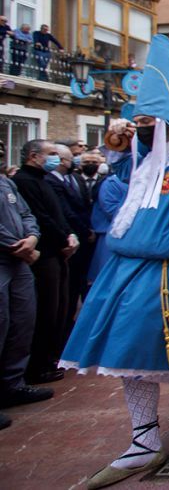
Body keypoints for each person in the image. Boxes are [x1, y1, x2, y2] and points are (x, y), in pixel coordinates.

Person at [59, 35, 169, 489]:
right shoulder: (140, 164)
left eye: (147, 122)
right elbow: (121, 184)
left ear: (167, 124)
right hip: (125, 270)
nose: (140, 129)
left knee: (141, 344)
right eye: (136, 122)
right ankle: (143, 438)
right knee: (123, 353)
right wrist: (118, 147)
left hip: (168, 272)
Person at [13, 140, 78, 384]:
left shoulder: (43, 180)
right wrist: (63, 238)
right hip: (45, 253)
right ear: (33, 155)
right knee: (45, 311)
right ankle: (37, 366)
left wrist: (69, 235)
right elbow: (39, 217)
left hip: (58, 251)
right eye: (51, 154)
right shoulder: (24, 181)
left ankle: (49, 358)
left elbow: (56, 212)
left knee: (58, 309)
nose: (57, 159)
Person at [0, 137, 49, 430]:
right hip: (8, 257)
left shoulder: (7, 183)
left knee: (21, 322)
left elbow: (27, 214)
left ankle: (12, 384)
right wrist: (16, 245)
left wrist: (31, 237)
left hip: (19, 262)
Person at [45, 144, 93, 347]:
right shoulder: (48, 181)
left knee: (75, 289)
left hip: (81, 240)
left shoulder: (75, 179)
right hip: (66, 241)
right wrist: (74, 233)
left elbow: (83, 206)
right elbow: (64, 212)